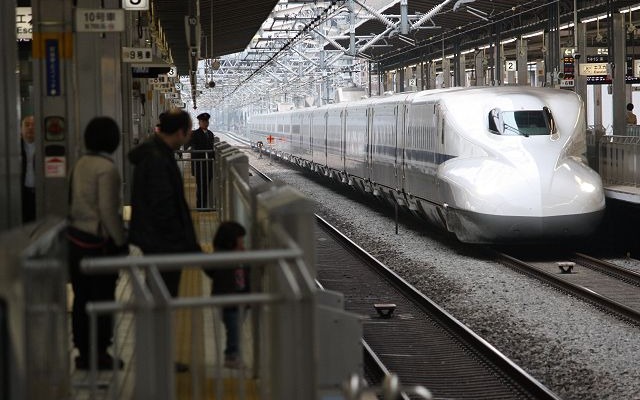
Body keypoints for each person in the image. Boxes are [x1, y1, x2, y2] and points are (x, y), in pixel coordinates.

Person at [67, 117, 127, 370]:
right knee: (103, 298)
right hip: (99, 243)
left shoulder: (79, 164)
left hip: (75, 240)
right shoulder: (107, 168)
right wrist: (121, 240)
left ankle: (82, 352)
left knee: (81, 299)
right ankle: (100, 351)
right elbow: (107, 211)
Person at [128, 109, 200, 297]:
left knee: (159, 294)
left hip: (156, 241)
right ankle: (158, 327)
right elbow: (163, 206)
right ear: (179, 132)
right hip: (163, 244)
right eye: (189, 130)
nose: (191, 134)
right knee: (162, 296)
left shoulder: (158, 153)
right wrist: (178, 241)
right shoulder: (157, 159)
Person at [206, 221, 248, 368]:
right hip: (228, 300)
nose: (243, 243)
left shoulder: (242, 255)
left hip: (241, 298)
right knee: (234, 328)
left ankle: (233, 353)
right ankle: (231, 355)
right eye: (240, 240)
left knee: (236, 327)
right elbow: (209, 268)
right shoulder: (221, 256)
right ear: (231, 241)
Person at [188, 112, 215, 209]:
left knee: (207, 186)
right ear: (199, 122)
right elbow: (194, 148)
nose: (205, 123)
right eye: (203, 121)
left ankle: (205, 205)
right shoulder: (195, 134)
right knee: (201, 187)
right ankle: (201, 207)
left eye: (206, 121)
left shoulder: (210, 134)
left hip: (209, 166)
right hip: (199, 166)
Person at [20, 115, 36, 223]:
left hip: (39, 192)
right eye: (27, 125)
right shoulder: (17, 148)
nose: (30, 127)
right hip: (23, 193)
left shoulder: (43, 148)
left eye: (33, 125)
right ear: (21, 129)